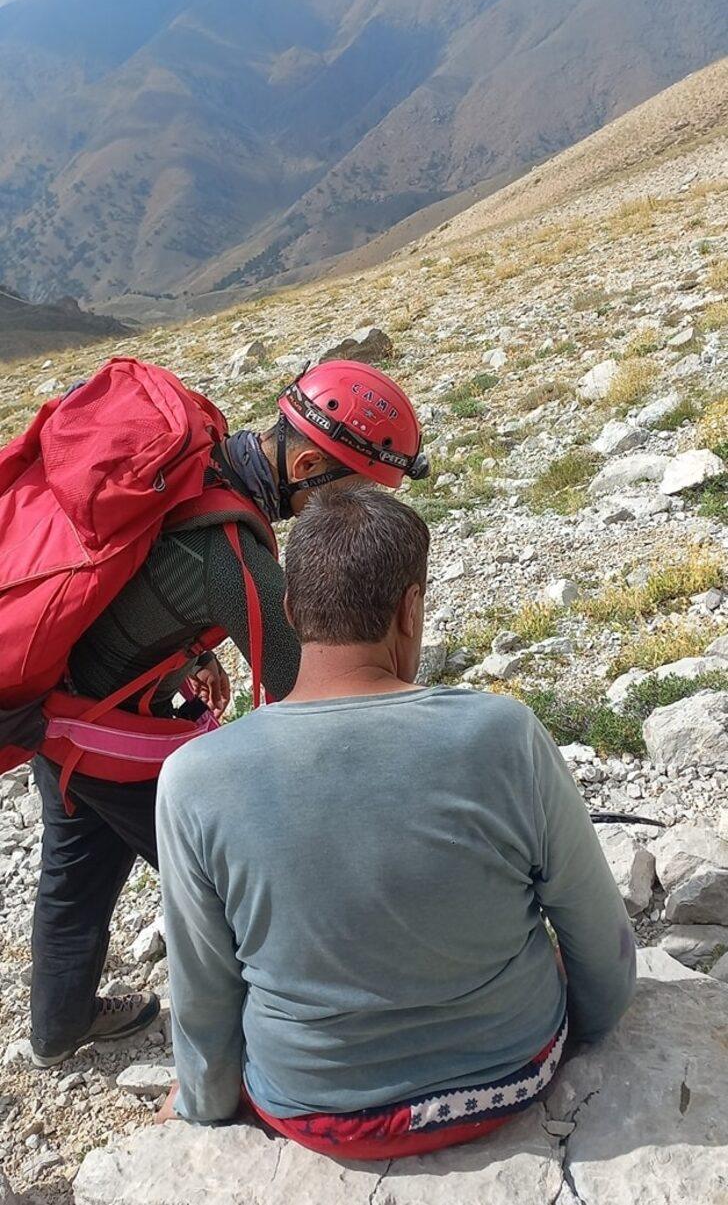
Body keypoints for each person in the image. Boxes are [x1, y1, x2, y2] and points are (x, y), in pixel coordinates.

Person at [155, 484, 636, 1160]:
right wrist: (591, 1022)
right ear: (410, 610)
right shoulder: (504, 734)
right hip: (511, 1073)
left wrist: (204, 1103)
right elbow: (600, 949)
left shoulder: (193, 777)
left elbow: (204, 989)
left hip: (312, 1108)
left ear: (291, 610)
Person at [28, 361, 428, 1069]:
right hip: (105, 735)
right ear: (305, 463)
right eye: (354, 490)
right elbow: (315, 685)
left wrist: (184, 655)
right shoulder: (230, 549)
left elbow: (132, 590)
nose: (358, 512)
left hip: (54, 708)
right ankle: (286, 1034)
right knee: (229, 876)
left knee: (77, 865)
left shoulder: (196, 461)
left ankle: (61, 1023)